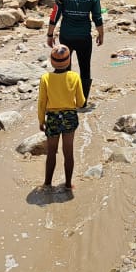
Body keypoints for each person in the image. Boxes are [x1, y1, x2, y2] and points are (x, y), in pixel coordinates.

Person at [47, 0, 104, 102]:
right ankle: (82, 101)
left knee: (64, 67)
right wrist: (101, 34)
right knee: (85, 67)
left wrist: (50, 35)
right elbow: (97, 17)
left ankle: (66, 98)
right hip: (84, 37)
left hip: (66, 36)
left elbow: (54, 15)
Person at [37, 44, 85, 190]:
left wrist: (41, 120)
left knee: (51, 151)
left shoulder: (45, 78)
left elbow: (42, 102)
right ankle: (68, 184)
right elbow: (81, 102)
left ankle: (47, 183)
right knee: (68, 152)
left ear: (51, 61)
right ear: (69, 60)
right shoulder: (75, 76)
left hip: (52, 117)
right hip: (69, 116)